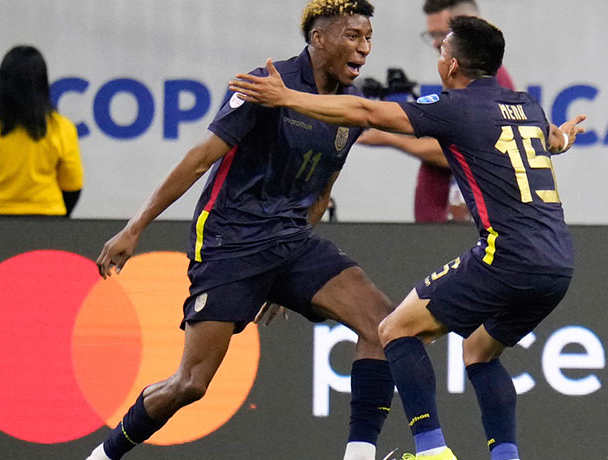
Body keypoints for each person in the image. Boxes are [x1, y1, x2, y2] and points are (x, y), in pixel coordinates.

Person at [230, 15, 585, 460]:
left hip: (507, 255)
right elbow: (549, 140)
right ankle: (505, 456)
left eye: (442, 51)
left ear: (453, 66)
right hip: (558, 262)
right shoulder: (527, 105)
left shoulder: (453, 107)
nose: (439, 58)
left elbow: (363, 111)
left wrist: (286, 97)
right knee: (479, 351)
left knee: (395, 329)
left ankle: (431, 450)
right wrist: (565, 142)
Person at [85, 1, 395, 460]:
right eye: (353, 36)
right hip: (232, 241)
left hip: (290, 241)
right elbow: (199, 159)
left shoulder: (347, 108)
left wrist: (285, 271)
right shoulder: (267, 84)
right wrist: (135, 228)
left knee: (385, 326)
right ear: (319, 38)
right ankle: (104, 455)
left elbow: (322, 190)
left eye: (368, 38)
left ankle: (359, 456)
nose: (364, 49)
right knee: (190, 384)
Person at [357, 0, 514, 223]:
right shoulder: (462, 80)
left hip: (461, 232)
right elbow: (450, 135)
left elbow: (470, 152)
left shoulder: (490, 83)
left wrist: (389, 139)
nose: (436, 43)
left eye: (443, 34)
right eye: (433, 35)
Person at [0, 45, 83, 217]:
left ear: (1, 80)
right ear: (42, 83)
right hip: (49, 222)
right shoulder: (62, 128)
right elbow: (72, 188)